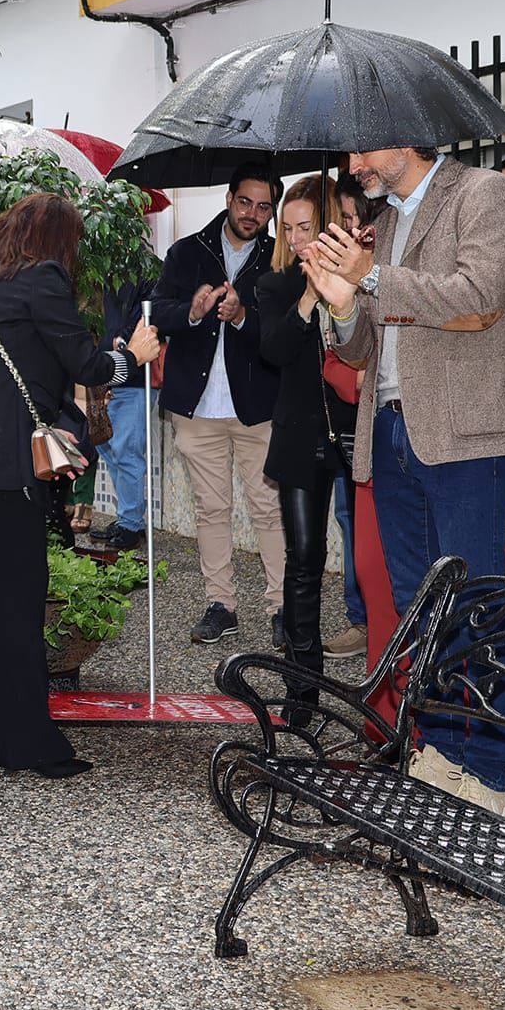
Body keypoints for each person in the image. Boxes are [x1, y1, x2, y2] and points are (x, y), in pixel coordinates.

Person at [309, 144, 505, 815]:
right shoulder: (382, 221)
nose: (353, 165)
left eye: (362, 148)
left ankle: (486, 776)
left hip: (466, 439)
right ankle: (438, 755)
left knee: (475, 611)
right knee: (418, 612)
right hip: (391, 435)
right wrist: (342, 302)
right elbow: (359, 346)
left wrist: (372, 275)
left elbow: (480, 298)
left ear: (406, 137)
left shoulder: (485, 195)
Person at [0, 194, 161, 778]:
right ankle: (27, 744)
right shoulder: (44, 278)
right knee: (20, 598)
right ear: (57, 241)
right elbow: (86, 366)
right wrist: (132, 357)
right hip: (3, 464)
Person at [151, 162, 286, 647]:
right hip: (196, 406)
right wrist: (193, 311)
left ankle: (281, 607)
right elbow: (156, 311)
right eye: (246, 201)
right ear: (229, 199)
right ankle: (221, 604)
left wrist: (245, 316)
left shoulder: (280, 258)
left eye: (264, 206)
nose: (253, 213)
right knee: (212, 510)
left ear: (273, 210)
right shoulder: (186, 252)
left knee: (269, 509)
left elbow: (288, 330)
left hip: (258, 406)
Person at [253, 176, 356, 717]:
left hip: (358, 431)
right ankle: (302, 688)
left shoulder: (363, 273)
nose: (295, 238)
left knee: (373, 560)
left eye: (305, 227)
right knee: (305, 560)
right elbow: (272, 348)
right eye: (287, 228)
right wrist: (310, 295)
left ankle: (387, 680)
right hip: (300, 436)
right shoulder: (275, 285)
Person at [325, 184, 384, 660]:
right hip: (349, 423)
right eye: (341, 216)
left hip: (381, 417)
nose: (347, 226)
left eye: (352, 215)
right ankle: (362, 620)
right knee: (352, 523)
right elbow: (340, 357)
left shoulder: (379, 256)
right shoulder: (345, 266)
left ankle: (375, 625)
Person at [95, 255, 161, 551]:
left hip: (135, 375)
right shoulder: (99, 267)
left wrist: (122, 339)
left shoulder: (148, 267)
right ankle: (128, 518)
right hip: (102, 373)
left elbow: (150, 314)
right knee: (106, 445)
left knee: (126, 449)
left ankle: (131, 525)